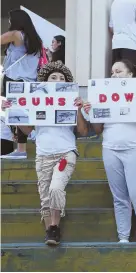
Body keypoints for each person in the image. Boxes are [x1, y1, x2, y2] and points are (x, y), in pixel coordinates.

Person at [2, 61, 88, 245]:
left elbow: (83, 131)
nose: (58, 80)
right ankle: (50, 231)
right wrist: (13, 110)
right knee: (45, 196)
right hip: (42, 154)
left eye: (62, 78)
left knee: (56, 188)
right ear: (45, 81)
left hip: (66, 152)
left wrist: (78, 109)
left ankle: (55, 226)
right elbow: (28, 130)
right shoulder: (36, 101)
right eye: (53, 77)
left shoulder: (71, 102)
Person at [83, 59, 136, 243]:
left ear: (130, 75)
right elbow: (97, 130)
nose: (114, 75)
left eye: (119, 71)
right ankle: (123, 238)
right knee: (119, 197)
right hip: (110, 150)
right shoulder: (102, 95)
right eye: (112, 72)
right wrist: (91, 111)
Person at [1, 9, 43, 159]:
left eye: (11, 20)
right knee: (20, 114)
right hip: (28, 81)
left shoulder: (16, 34)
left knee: (12, 113)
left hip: (14, 80)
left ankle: (35, 136)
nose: (9, 23)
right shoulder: (34, 39)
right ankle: (21, 149)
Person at [109, 0, 136, 76]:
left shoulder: (115, 2)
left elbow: (111, 28)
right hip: (132, 45)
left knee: (117, 79)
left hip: (116, 45)